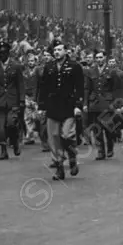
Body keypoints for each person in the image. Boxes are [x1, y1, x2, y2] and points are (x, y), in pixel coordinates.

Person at [37, 41, 84, 181]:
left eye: (59, 49)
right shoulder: (49, 66)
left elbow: (80, 87)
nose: (56, 52)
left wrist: (78, 105)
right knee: (54, 138)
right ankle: (59, 167)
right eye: (54, 50)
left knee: (67, 135)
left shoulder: (75, 66)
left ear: (66, 51)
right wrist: (41, 107)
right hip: (52, 106)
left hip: (69, 106)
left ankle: (72, 157)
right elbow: (43, 88)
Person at [0, 39, 24, 160]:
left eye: (4, 52)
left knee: (11, 124)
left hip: (13, 100)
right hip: (0, 100)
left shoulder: (16, 66)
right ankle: (3, 151)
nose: (2, 55)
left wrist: (21, 100)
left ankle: (15, 143)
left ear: (8, 53)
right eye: (0, 53)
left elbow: (20, 84)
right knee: (2, 128)